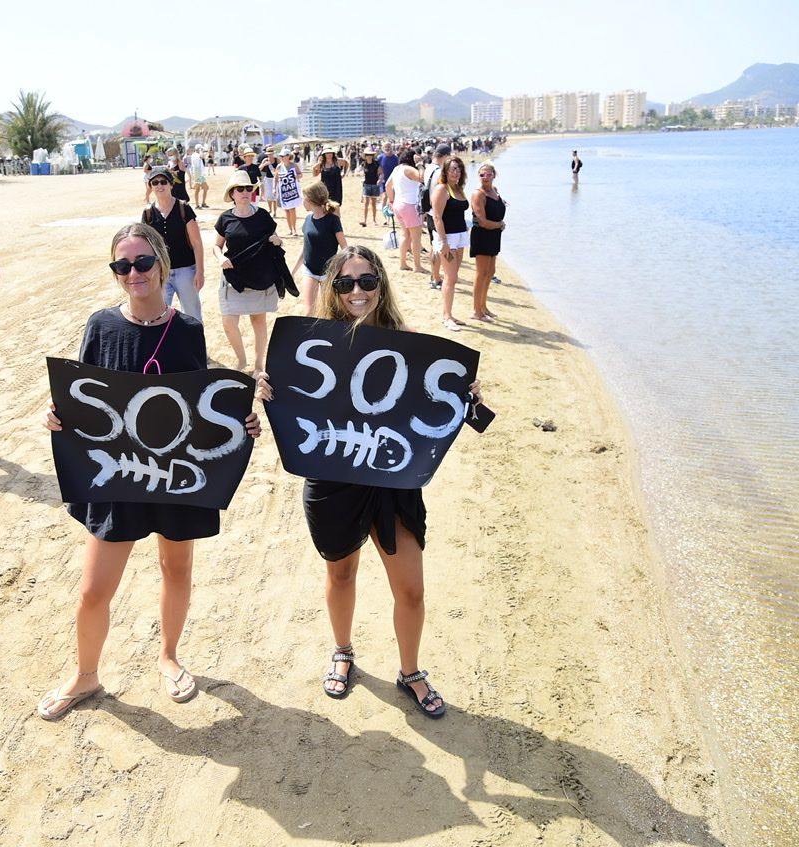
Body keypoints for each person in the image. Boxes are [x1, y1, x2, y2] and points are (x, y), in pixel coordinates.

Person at [36, 223, 263, 720]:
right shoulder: (101, 326)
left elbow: (198, 404)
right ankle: (86, 675)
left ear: (162, 265)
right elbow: (81, 398)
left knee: (175, 568)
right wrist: (57, 415)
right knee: (94, 589)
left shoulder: (186, 329)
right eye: (123, 265)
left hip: (173, 475)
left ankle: (169, 656)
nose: (133, 273)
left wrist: (239, 421)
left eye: (142, 263)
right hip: (119, 475)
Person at [257, 245, 482, 719]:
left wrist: (468, 396)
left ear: (381, 283)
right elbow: (291, 403)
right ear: (333, 290)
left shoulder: (410, 343)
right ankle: (342, 650)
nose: (357, 291)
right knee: (340, 572)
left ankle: (410, 671)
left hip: (393, 481)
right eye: (345, 283)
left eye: (366, 281)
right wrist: (268, 390)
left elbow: (440, 410)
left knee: (412, 588)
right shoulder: (311, 346)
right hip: (332, 475)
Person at [213, 171, 283, 375]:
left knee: (258, 321)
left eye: (248, 188)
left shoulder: (262, 216)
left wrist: (277, 241)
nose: (244, 192)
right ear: (232, 193)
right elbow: (217, 246)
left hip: (259, 278)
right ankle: (242, 359)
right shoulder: (225, 218)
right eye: (239, 189)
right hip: (233, 277)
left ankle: (259, 364)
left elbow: (275, 237)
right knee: (228, 322)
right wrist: (220, 258)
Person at [142, 165, 205, 320]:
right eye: (155, 183)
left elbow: (197, 243)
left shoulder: (183, 208)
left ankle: (194, 344)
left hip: (185, 271)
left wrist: (200, 272)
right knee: (158, 316)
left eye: (163, 181)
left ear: (171, 184)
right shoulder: (148, 213)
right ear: (150, 186)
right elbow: (145, 246)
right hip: (160, 272)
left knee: (192, 315)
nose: (159, 185)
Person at [291, 181, 347, 316]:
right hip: (310, 270)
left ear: (310, 200)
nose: (302, 201)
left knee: (333, 311)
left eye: (303, 198)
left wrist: (345, 271)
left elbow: (344, 247)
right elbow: (306, 247)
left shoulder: (333, 220)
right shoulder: (308, 219)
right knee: (309, 311)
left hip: (329, 273)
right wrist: (292, 272)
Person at [429, 156, 470, 331]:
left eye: (459, 169)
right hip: (448, 238)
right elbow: (437, 216)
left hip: (460, 236)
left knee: (454, 277)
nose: (457, 172)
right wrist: (444, 242)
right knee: (450, 277)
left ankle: (450, 314)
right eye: (453, 169)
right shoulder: (442, 189)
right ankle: (446, 317)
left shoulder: (459, 189)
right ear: (445, 171)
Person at [468, 161, 506, 322]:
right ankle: (476, 311)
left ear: (494, 175)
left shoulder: (494, 191)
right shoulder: (479, 194)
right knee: (481, 273)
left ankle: (483, 307)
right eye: (482, 174)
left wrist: (498, 225)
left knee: (490, 272)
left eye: (488, 174)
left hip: (494, 235)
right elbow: (482, 221)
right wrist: (499, 224)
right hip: (482, 235)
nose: (485, 177)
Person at [384, 149, 425, 274]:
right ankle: (417, 266)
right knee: (416, 237)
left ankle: (403, 263)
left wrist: (391, 201)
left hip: (398, 204)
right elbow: (422, 177)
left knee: (405, 235)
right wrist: (420, 164)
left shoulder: (397, 169)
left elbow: (387, 185)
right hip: (410, 205)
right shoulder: (408, 169)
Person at [421, 143, 451, 290]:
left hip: (430, 212)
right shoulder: (439, 172)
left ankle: (434, 276)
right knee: (438, 248)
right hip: (438, 213)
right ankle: (436, 278)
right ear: (445, 156)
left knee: (434, 246)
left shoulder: (428, 168)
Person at [276, 149, 304, 237]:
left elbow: (301, 175)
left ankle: (294, 229)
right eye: (280, 156)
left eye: (283, 156)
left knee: (292, 209)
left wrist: (297, 176)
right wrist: (274, 188)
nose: (281, 158)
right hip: (284, 191)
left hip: (292, 190)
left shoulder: (294, 165)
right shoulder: (279, 167)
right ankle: (290, 229)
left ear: (288, 156)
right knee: (287, 211)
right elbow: (275, 178)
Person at [358, 147, 381, 227]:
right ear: (365, 155)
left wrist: (380, 180)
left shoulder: (376, 163)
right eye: (367, 154)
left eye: (370, 154)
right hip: (366, 185)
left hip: (375, 185)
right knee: (366, 204)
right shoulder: (363, 164)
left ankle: (374, 220)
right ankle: (364, 220)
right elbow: (358, 171)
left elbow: (381, 173)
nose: (369, 156)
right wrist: (360, 173)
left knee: (374, 204)